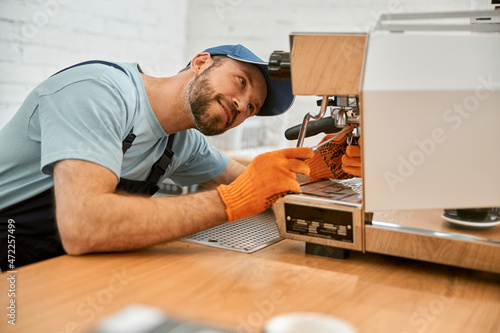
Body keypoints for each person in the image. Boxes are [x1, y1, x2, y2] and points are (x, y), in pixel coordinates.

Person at [0, 44, 359, 270]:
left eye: (252, 107)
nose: (241, 104)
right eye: (241, 81)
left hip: (55, 266)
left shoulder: (180, 142)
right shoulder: (100, 93)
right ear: (200, 62)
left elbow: (250, 180)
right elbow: (84, 226)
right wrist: (234, 201)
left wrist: (323, 166)